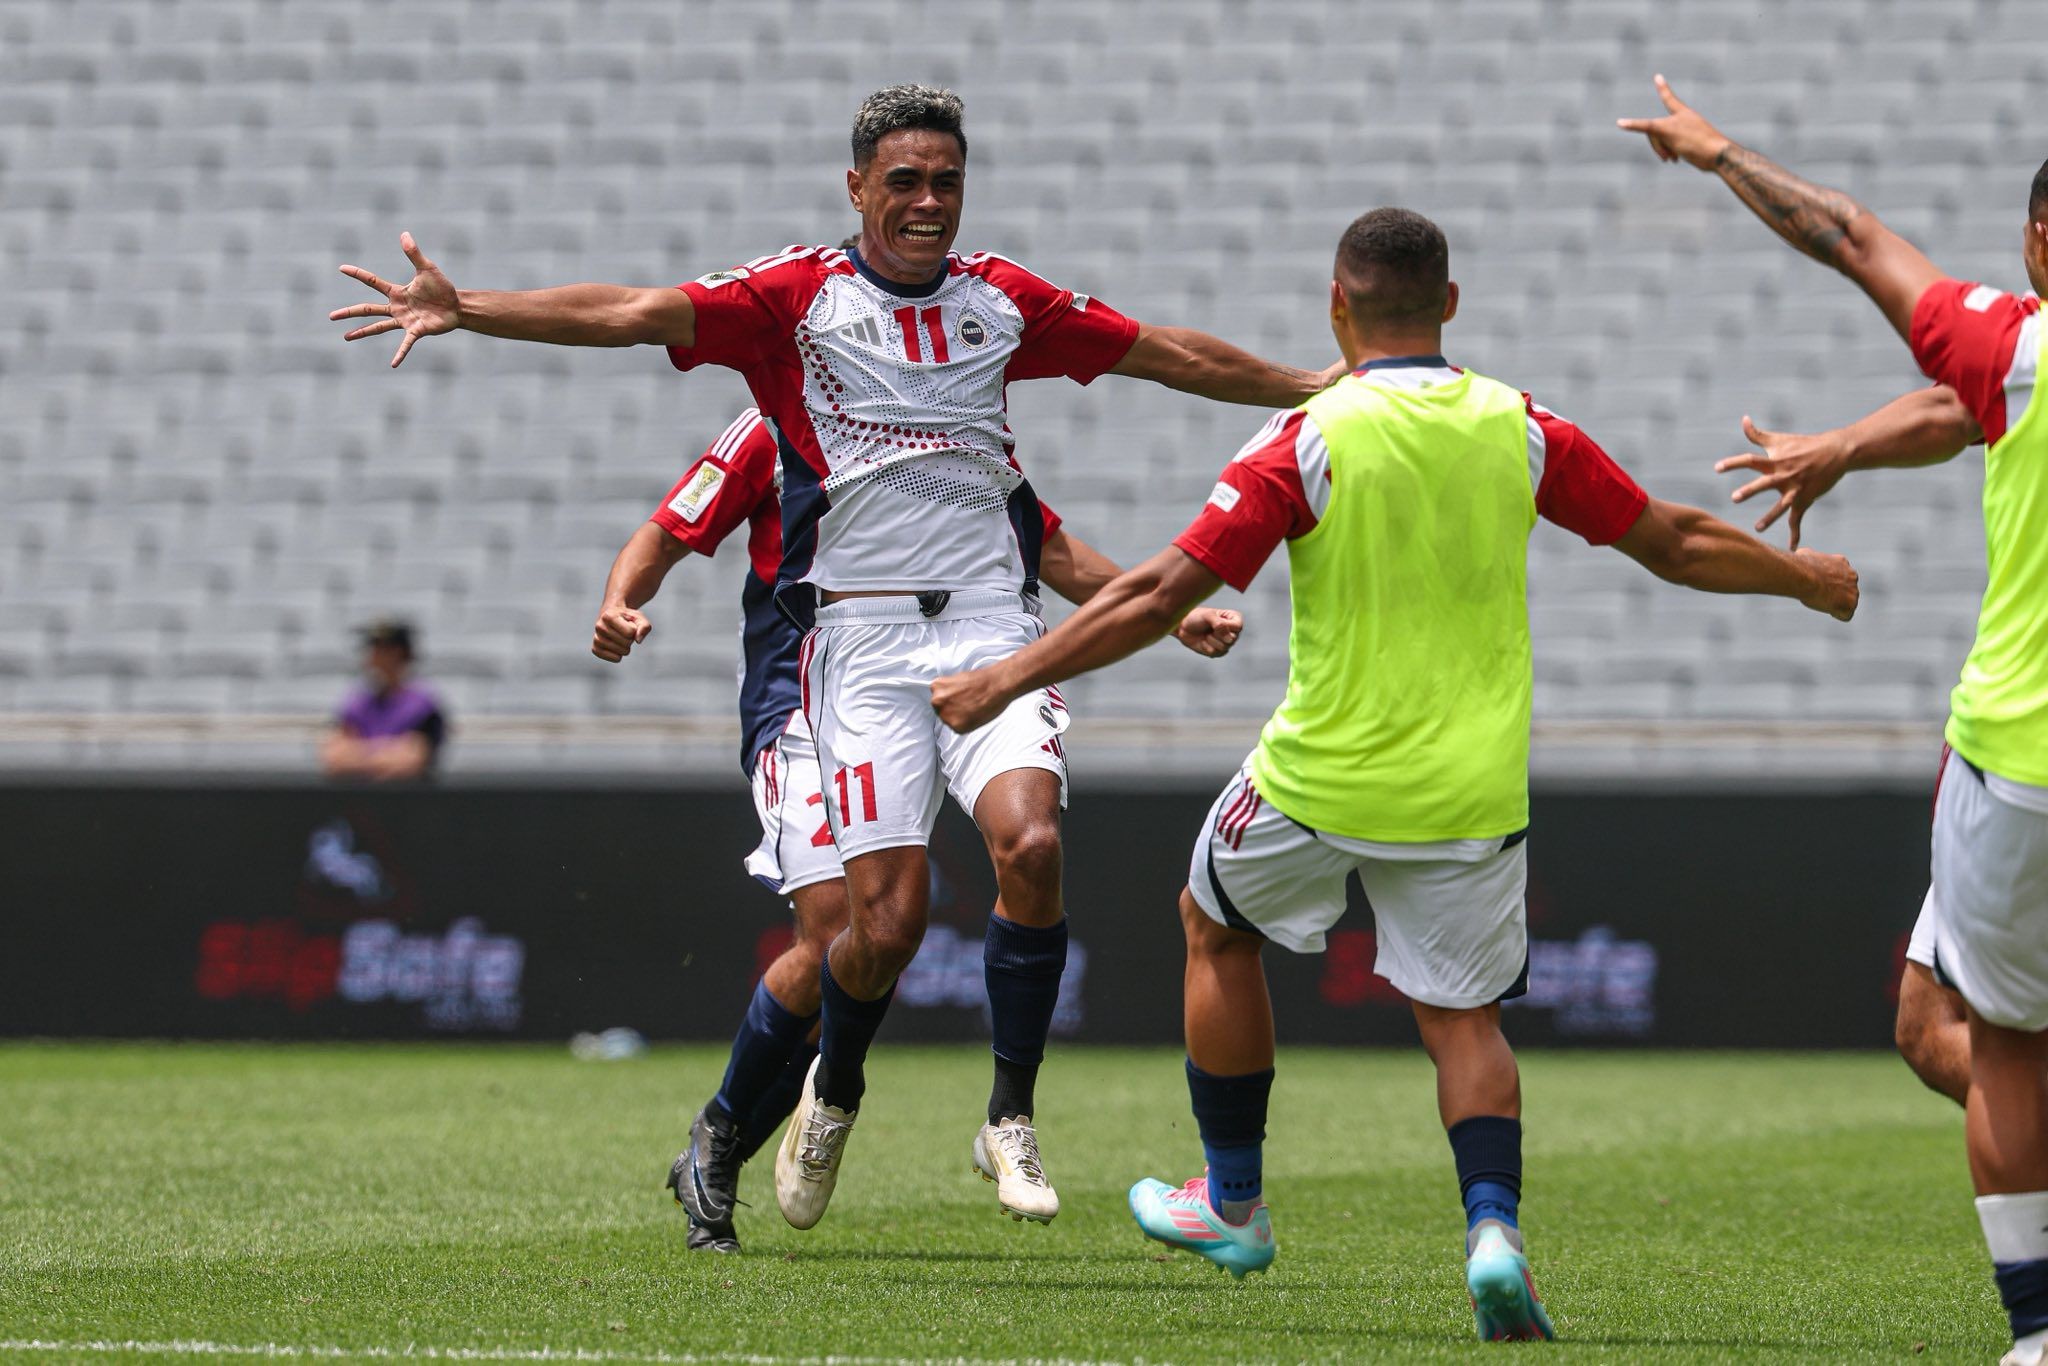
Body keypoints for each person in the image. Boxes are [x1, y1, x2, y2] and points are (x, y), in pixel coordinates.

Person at [332, 82, 1329, 1230]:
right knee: (869, 932)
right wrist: (472, 309)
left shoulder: (999, 312)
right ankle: (792, 1107)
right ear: (855, 187)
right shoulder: (791, 314)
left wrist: (1306, 387)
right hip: (843, 652)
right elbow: (632, 314)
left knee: (1030, 843)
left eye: (946, 181)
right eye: (903, 181)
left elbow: (1155, 363)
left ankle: (1006, 1115)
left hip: (988, 630)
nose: (927, 201)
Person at [930, 207, 1858, 1338]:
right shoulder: (1519, 426)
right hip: (1470, 792)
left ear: (1336, 304)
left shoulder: (1305, 438)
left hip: (1317, 781)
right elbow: (1672, 540)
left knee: (1212, 922)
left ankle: (1233, 1203)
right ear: (1449, 303)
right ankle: (1492, 1233)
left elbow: (1157, 592)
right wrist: (1801, 578)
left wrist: (1004, 677)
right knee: (1462, 1021)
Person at [1621, 74, 2048, 1366]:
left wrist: (1715, 151)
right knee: (1927, 1024)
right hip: (2011, 765)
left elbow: (1850, 235)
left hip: (2019, 760)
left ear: (2036, 243)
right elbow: (1965, 412)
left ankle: (2038, 1331)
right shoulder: (2009, 370)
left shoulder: (2018, 342)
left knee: (2006, 1043)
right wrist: (1848, 445)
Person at [596, 405, 1242, 1252]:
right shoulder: (771, 427)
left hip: (952, 668)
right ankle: (722, 1136)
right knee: (839, 933)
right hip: (803, 702)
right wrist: (619, 601)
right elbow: (668, 529)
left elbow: (1044, 548)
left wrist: (1168, 615)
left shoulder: (945, 408)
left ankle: (954, 1114)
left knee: (981, 874)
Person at [1711, 385, 1982, 1106]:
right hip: (2013, 739)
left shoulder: (2026, 356)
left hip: (2019, 748)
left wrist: (1838, 448)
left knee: (1943, 1028)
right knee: (1942, 1028)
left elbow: (1958, 406)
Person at [320, 618, 448, 782]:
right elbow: (335, 758)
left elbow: (409, 760)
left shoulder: (423, 707)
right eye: (372, 651)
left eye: (382, 652)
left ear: (401, 655)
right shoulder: (357, 703)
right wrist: (386, 753)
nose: (373, 660)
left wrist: (358, 754)